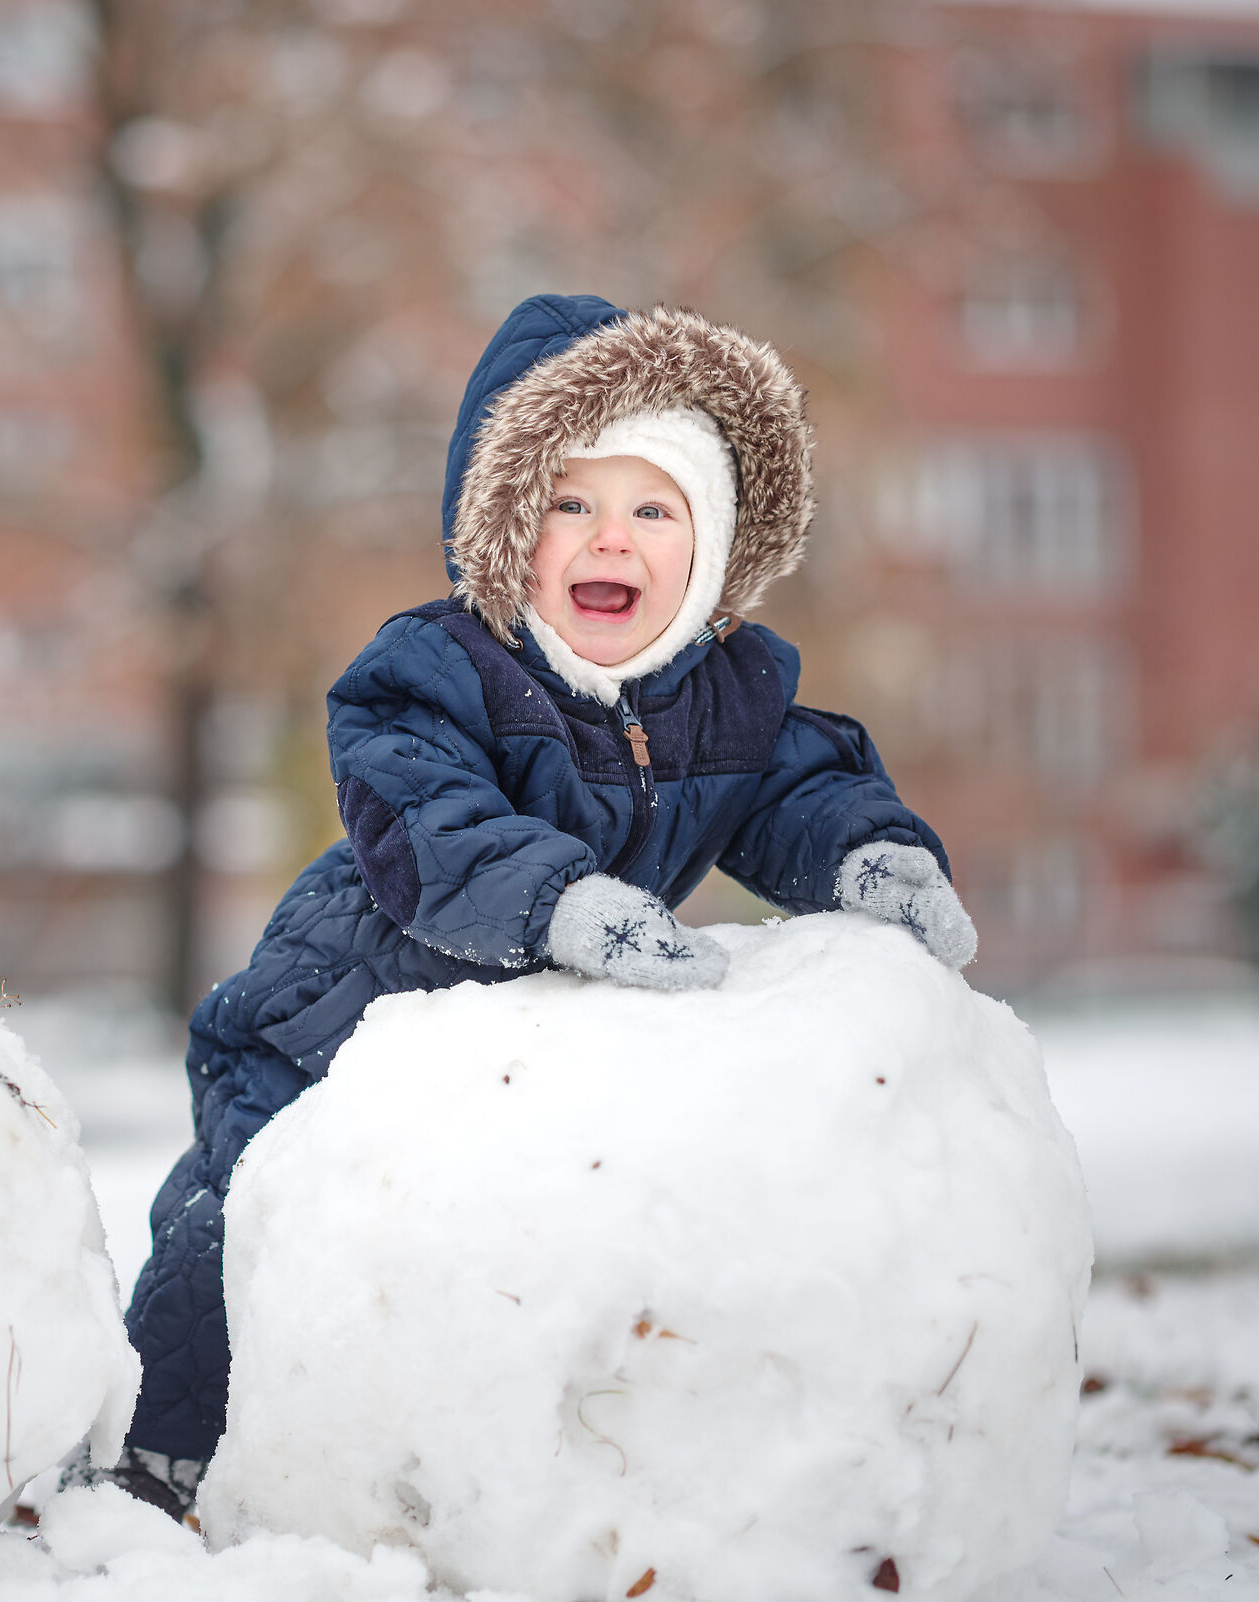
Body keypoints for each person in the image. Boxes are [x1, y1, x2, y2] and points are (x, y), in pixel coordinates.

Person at [112, 293, 975, 1516]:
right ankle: (160, 1454)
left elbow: (801, 789)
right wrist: (564, 903)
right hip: (347, 1002)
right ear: (507, 524)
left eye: (652, 508)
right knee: (246, 1213)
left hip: (538, 1046)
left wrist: (870, 859)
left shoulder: (730, 696)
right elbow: (428, 820)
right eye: (570, 502)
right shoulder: (439, 669)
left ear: (715, 544)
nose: (608, 539)